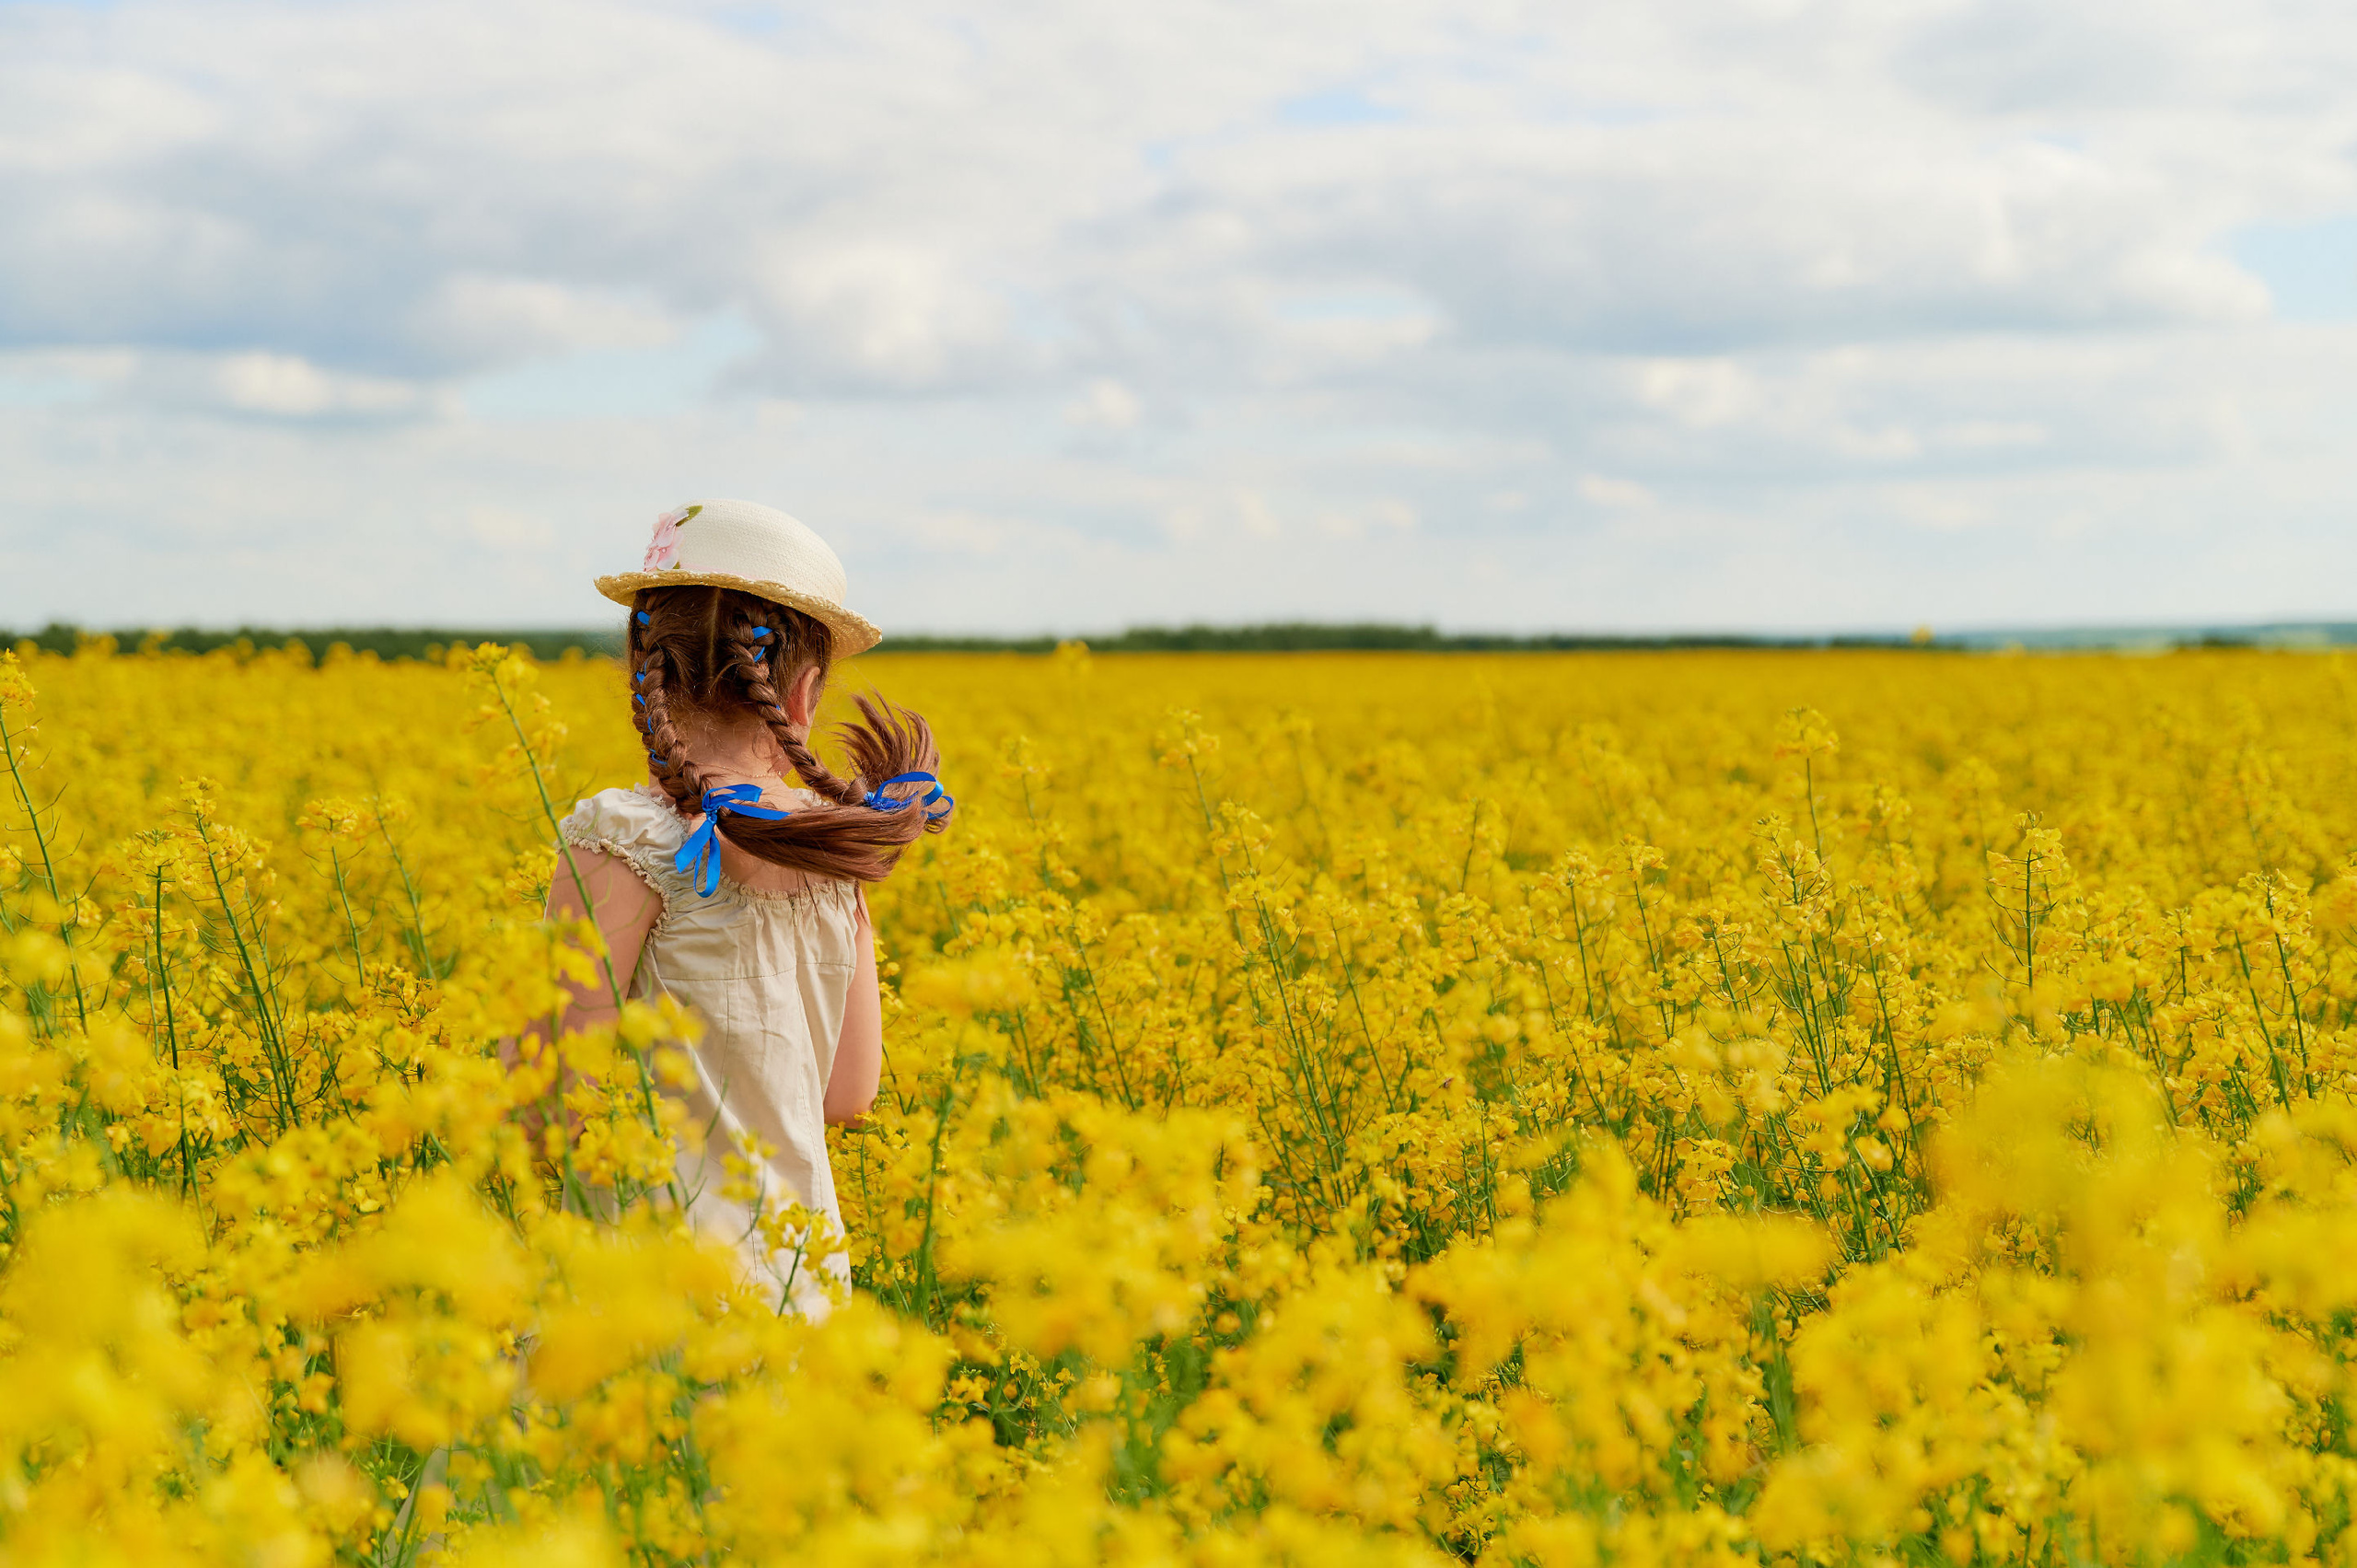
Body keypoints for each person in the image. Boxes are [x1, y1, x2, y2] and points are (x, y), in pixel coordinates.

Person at [539, 497, 951, 1316]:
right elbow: (847, 1097)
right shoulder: (837, 847)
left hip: (647, 1293)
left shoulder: (622, 836)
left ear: (640, 671)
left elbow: (552, 1097)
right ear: (802, 696)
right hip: (798, 1284)